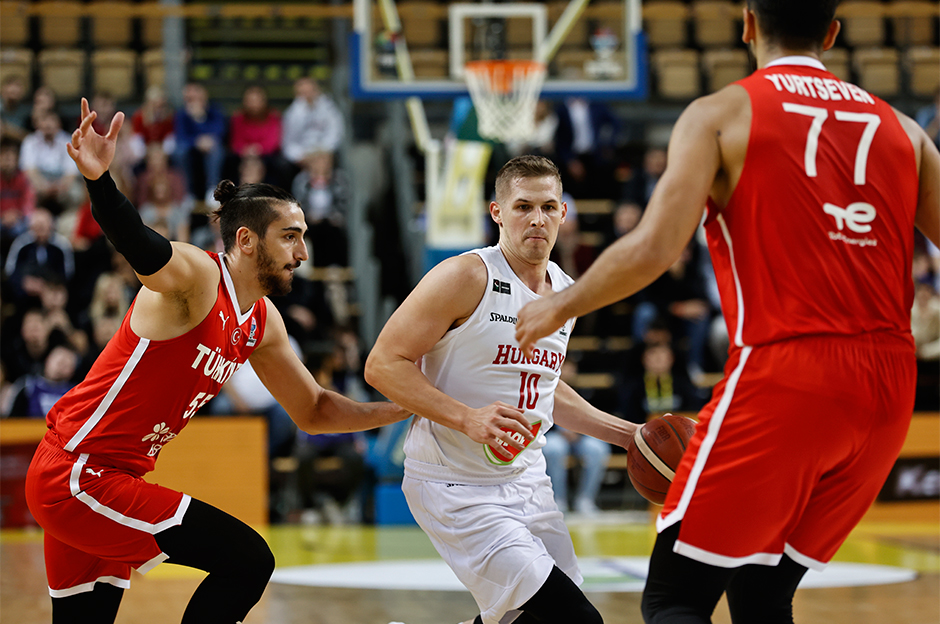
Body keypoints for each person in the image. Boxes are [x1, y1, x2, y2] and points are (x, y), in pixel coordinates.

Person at [515, 1, 940, 622]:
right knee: (761, 590)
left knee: (675, 598)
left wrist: (560, 303)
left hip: (788, 371)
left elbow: (656, 249)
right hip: (889, 390)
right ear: (832, 34)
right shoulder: (904, 129)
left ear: (746, 25)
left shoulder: (720, 114)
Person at [25, 98, 411, 624]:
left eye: (304, 238)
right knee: (248, 561)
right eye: (291, 238)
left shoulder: (262, 322)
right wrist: (99, 181)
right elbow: (136, 241)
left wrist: (406, 405)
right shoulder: (197, 278)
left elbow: (316, 410)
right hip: (78, 475)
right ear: (246, 241)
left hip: (110, 480)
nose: (302, 254)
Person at [365, 155, 638, 624]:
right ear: (497, 212)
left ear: (564, 214)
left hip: (527, 479)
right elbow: (383, 364)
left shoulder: (567, 293)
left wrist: (628, 435)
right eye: (523, 206)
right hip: (454, 482)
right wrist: (465, 417)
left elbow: (546, 386)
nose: (537, 219)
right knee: (575, 618)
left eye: (549, 207)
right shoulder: (466, 276)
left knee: (529, 619)